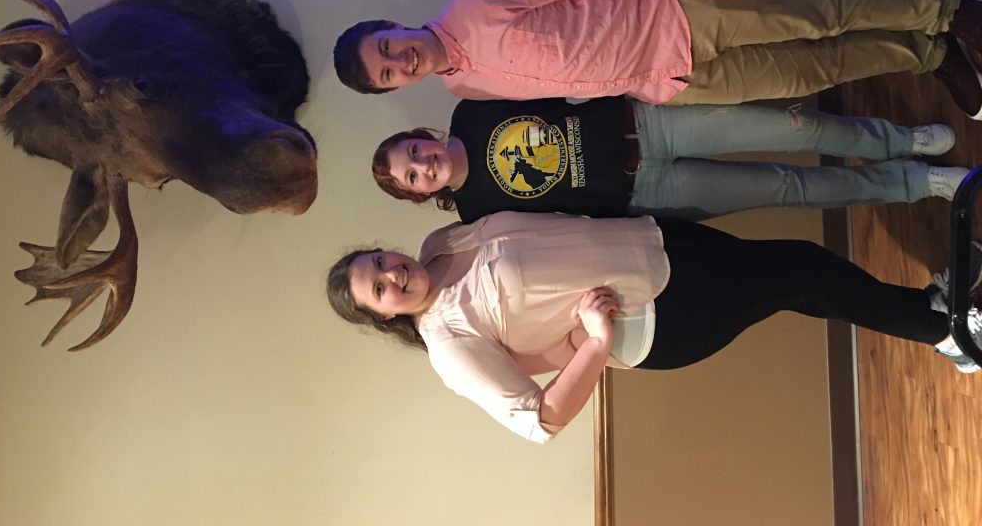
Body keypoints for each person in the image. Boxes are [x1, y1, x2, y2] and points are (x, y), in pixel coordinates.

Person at [326, 211, 982, 444]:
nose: (392, 275)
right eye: (378, 290)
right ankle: (947, 332)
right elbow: (538, 420)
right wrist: (597, 342)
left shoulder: (441, 241)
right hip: (659, 315)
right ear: (383, 315)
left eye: (379, 262)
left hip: (657, 244)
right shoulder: (447, 345)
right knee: (802, 268)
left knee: (795, 283)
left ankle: (929, 312)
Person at [332, 0, 982, 118]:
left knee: (819, 13)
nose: (401, 60)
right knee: (815, 72)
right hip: (672, 82)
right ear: (395, 88)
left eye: (387, 47)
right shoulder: (462, 89)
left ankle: (948, 10)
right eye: (389, 74)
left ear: (392, 25)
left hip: (679, 13)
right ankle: (929, 54)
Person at [370, 97, 969, 222]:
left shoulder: (472, 110)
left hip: (649, 121)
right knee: (789, 187)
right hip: (648, 191)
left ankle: (899, 139)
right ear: (421, 193)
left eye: (413, 152)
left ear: (420, 136)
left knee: (796, 125)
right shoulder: (476, 213)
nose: (423, 165)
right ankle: (917, 181)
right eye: (412, 177)